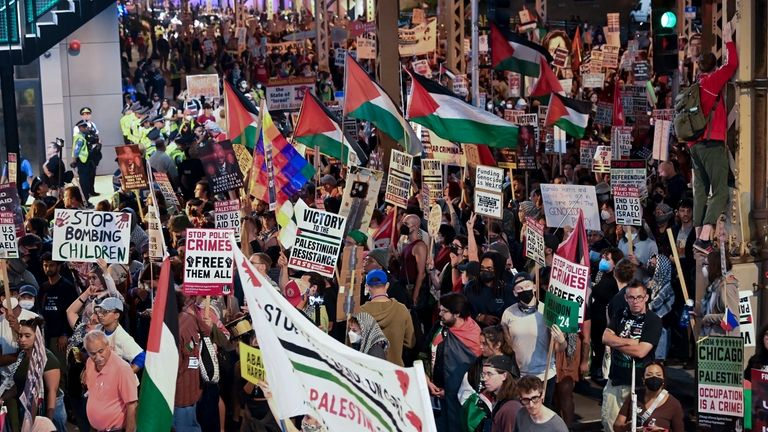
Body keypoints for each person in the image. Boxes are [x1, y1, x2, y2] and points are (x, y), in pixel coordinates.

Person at [689, 22, 738, 254]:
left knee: (700, 191)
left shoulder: (695, 85)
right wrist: (728, 38)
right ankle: (705, 238)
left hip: (694, 146)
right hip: (711, 145)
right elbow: (734, 65)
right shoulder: (712, 81)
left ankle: (698, 234)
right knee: (719, 191)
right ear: (714, 67)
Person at [601, 279, 663, 432]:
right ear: (626, 298)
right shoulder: (620, 314)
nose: (635, 301)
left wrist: (618, 342)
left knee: (635, 427)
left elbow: (641, 352)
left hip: (639, 385)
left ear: (646, 297)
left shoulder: (653, 320)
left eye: (639, 297)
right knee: (609, 425)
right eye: (631, 298)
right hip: (615, 381)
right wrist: (631, 342)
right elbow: (605, 338)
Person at [501, 273, 566, 407]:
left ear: (534, 287)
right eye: (519, 288)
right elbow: (507, 346)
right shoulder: (508, 314)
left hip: (544, 375)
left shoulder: (547, 310)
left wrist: (562, 340)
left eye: (527, 286)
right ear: (514, 292)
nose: (524, 290)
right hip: (520, 375)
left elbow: (558, 349)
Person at [424, 293, 482, 432]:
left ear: (457, 314)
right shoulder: (439, 327)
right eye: (440, 310)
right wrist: (426, 378)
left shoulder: (474, 338)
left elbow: (474, 376)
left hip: (458, 402)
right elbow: (424, 352)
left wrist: (450, 391)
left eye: (444, 311)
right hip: (434, 396)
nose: (440, 314)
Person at [3, 317, 68, 431]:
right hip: (29, 406)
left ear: (37, 337)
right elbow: (18, 385)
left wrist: (47, 421)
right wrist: (2, 398)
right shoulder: (21, 356)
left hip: (50, 408)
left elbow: (52, 392)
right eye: (20, 335)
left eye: (27, 336)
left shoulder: (48, 359)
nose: (22, 339)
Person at [82, 329, 138, 432]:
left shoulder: (122, 369)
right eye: (93, 353)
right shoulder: (90, 362)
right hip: (94, 428)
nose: (98, 357)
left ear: (108, 346)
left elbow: (132, 405)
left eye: (101, 351)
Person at [360, 269, 415, 366]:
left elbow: (352, 343)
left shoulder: (360, 313)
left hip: (369, 371)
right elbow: (410, 342)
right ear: (387, 286)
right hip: (395, 371)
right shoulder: (402, 310)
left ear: (367, 287)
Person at [613, 362, 684, 432]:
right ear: (643, 380)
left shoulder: (674, 404)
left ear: (663, 380)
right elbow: (616, 426)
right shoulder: (634, 397)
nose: (654, 377)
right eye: (649, 375)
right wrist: (627, 427)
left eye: (658, 375)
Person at [481, 355, 522, 432]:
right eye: (483, 374)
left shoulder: (511, 408)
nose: (484, 378)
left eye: (489, 374)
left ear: (504, 376)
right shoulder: (496, 397)